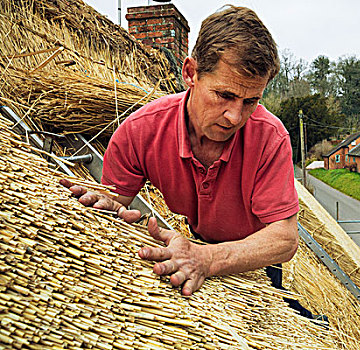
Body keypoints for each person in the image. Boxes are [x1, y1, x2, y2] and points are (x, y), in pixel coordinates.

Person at [61, 5, 304, 301]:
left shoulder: (270, 137)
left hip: (253, 256)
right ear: (191, 73)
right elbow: (113, 201)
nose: (235, 117)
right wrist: (103, 204)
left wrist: (207, 259)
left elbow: (283, 239)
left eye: (250, 101)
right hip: (196, 238)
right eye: (224, 95)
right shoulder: (141, 131)